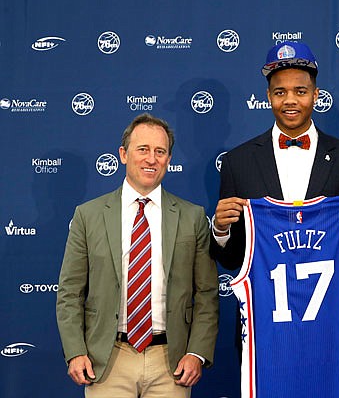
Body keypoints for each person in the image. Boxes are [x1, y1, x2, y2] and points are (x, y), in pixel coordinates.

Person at [210, 41, 339, 358]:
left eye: (300, 91)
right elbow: (232, 260)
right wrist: (220, 229)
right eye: (279, 92)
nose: (290, 100)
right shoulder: (238, 162)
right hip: (263, 327)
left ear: (316, 95)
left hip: (330, 327)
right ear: (268, 97)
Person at [56, 113, 219, 398]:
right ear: (123, 154)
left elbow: (206, 292)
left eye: (160, 151)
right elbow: (70, 292)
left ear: (169, 159)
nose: (151, 159)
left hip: (171, 363)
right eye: (142, 149)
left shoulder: (192, 217)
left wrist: (197, 353)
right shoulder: (88, 215)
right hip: (106, 360)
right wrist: (75, 352)